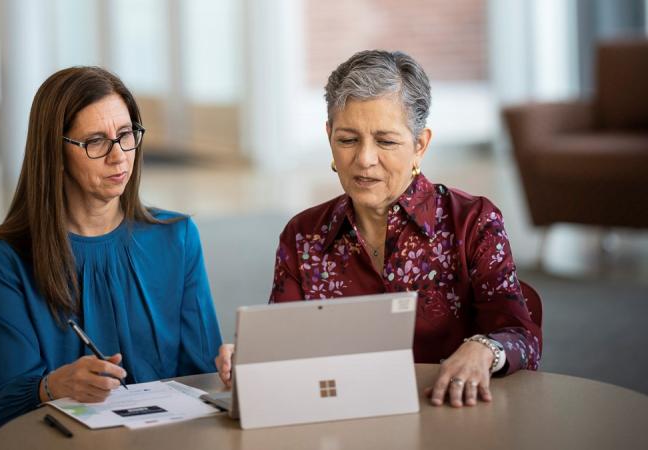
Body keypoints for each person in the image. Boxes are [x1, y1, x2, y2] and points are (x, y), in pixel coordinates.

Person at [216, 50, 541, 408]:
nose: (364, 159)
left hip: (451, 418)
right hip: (340, 419)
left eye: (386, 141)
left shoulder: (474, 223)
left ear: (420, 145)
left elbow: (521, 336)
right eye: (347, 140)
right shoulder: (303, 235)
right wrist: (252, 357)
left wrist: (484, 348)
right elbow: (286, 345)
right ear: (329, 138)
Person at [0, 67, 222, 425]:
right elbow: (6, 405)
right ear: (55, 152)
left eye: (125, 134)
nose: (118, 156)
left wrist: (227, 369)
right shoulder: (2, 257)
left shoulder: (177, 236)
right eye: (95, 141)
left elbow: (204, 377)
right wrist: (52, 386)